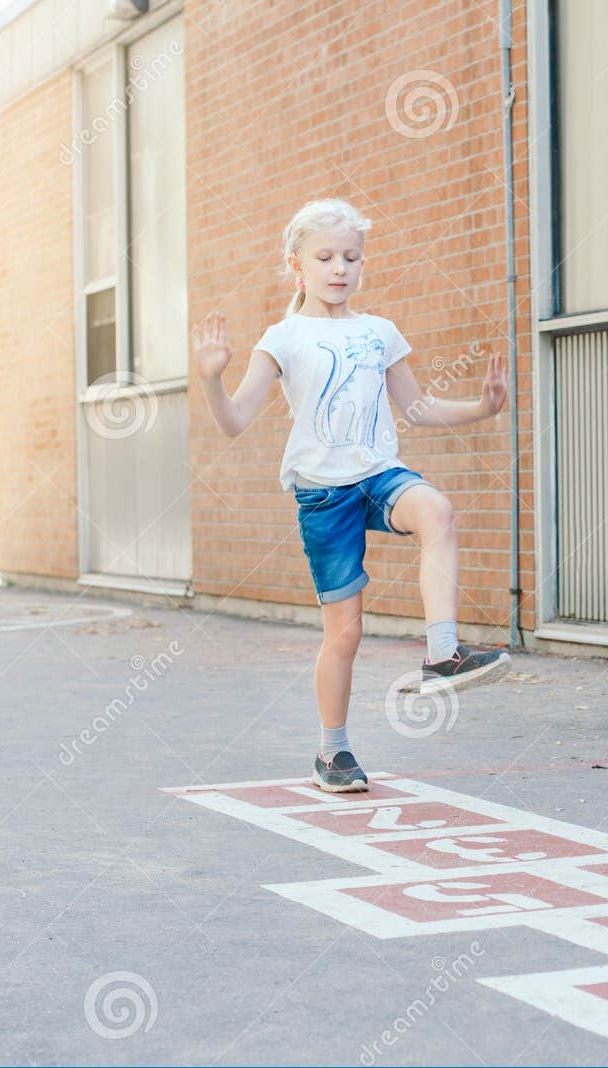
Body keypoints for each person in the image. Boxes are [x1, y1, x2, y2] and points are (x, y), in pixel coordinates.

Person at [191, 198, 511, 793]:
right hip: (322, 493)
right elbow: (234, 420)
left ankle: (443, 654)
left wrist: (481, 408)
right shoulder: (283, 337)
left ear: (362, 265)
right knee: (345, 634)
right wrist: (211, 377)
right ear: (298, 267)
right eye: (325, 257)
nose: (339, 268)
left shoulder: (379, 332)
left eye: (351, 257)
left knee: (436, 509)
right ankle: (332, 753)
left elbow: (414, 408)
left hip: (378, 472)